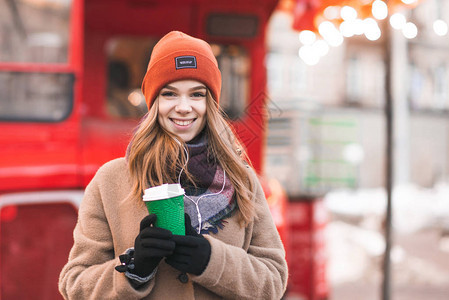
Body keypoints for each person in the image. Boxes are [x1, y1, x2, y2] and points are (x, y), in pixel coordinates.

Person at [59, 31, 288, 299]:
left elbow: (274, 281)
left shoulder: (242, 179)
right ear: (154, 102)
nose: (183, 107)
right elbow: (74, 284)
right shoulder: (111, 180)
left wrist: (211, 261)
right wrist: (134, 269)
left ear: (210, 103)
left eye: (196, 94)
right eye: (169, 94)